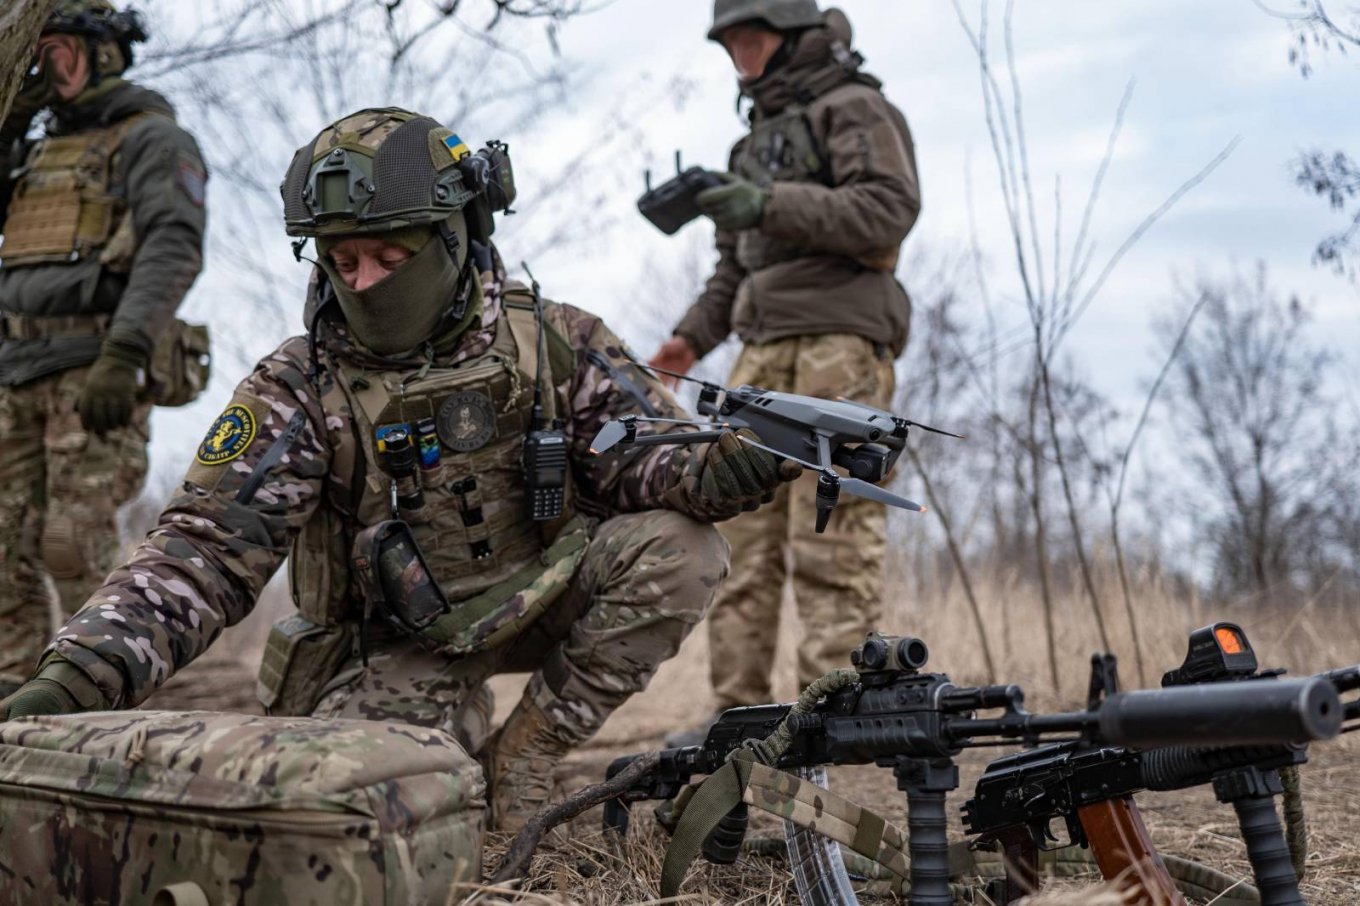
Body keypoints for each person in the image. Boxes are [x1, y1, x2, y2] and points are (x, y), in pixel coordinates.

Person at [0, 107, 798, 832]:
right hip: (394, 645)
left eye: (389, 256)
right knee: (378, 808)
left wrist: (727, 470)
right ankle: (454, 750)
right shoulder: (299, 384)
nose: (364, 283)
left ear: (456, 236)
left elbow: (641, 460)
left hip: (545, 590)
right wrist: (76, 675)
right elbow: (201, 551)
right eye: (342, 262)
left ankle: (522, 757)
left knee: (680, 549)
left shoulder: (554, 339)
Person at [651, 0, 921, 743]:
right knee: (742, 542)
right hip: (759, 354)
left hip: (838, 342)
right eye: (731, 44)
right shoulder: (752, 147)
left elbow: (889, 210)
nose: (742, 57)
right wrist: (686, 341)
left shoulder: (856, 107)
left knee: (830, 536)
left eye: (754, 40)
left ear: (794, 36)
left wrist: (768, 203)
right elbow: (734, 270)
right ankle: (738, 726)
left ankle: (829, 725)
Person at [0, 0, 209, 696]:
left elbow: (174, 246)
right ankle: (16, 703)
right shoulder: (31, 148)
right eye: (38, 54)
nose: (46, 71)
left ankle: (106, 700)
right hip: (16, 369)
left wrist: (124, 354)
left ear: (104, 52)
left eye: (59, 54)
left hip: (92, 369)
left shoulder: (149, 138)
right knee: (3, 552)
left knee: (72, 543)